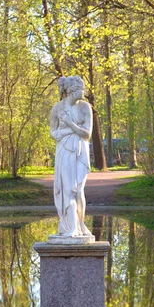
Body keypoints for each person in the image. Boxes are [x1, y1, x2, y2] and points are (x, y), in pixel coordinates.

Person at [50, 76, 93, 238]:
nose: (83, 93)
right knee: (68, 189)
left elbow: (87, 133)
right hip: (65, 150)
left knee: (79, 190)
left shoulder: (85, 107)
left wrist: (69, 124)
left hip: (80, 150)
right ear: (72, 91)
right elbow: (53, 132)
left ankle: (80, 225)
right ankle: (71, 227)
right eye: (81, 90)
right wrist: (68, 130)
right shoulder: (57, 108)